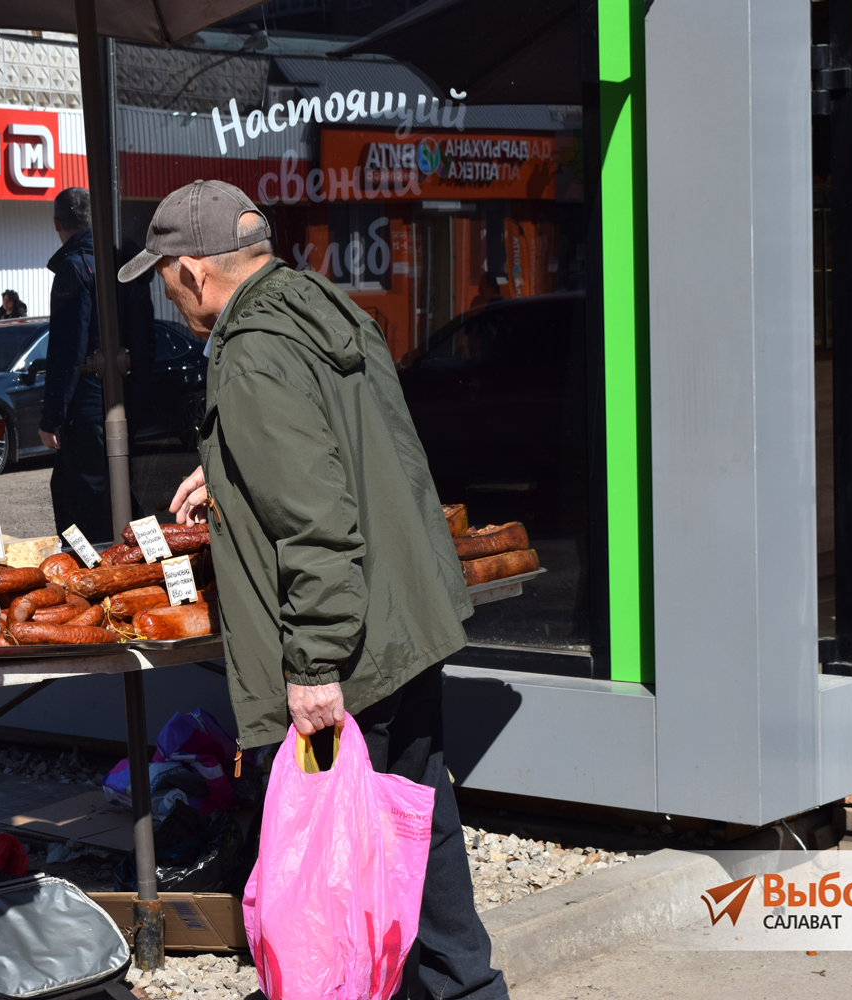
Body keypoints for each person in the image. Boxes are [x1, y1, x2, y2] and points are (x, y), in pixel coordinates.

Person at [120, 180, 508, 1000]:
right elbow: (344, 448)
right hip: (401, 620)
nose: (162, 289)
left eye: (162, 273)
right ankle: (467, 989)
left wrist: (314, 667)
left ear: (192, 271)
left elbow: (317, 521)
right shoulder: (317, 304)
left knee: (338, 854)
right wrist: (228, 464)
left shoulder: (252, 348)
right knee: (414, 821)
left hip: (349, 651)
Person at [38, 187, 153, 541]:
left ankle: (96, 582)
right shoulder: (123, 264)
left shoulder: (74, 268)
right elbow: (145, 338)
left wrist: (51, 418)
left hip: (86, 411)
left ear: (58, 223)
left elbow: (67, 351)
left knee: (80, 506)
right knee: (122, 498)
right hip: (125, 401)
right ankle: (137, 572)